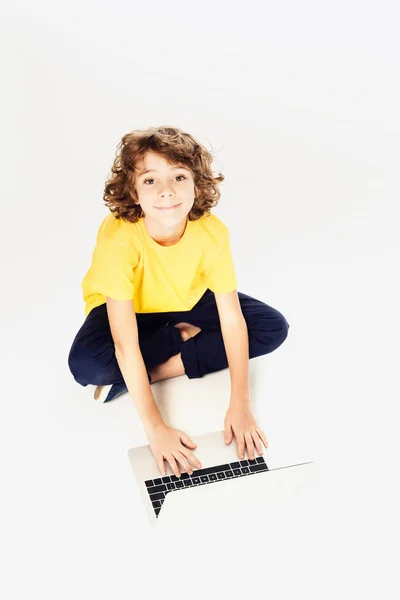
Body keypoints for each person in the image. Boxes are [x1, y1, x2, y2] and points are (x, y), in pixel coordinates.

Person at [68, 125, 290, 479]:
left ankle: (149, 371)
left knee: (271, 328)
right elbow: (125, 344)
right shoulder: (120, 237)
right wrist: (155, 428)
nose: (167, 192)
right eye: (150, 180)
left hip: (187, 299)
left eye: (179, 177)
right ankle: (177, 338)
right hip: (131, 308)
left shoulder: (211, 232)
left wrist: (240, 404)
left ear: (197, 184)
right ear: (133, 192)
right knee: (89, 367)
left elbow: (232, 319)